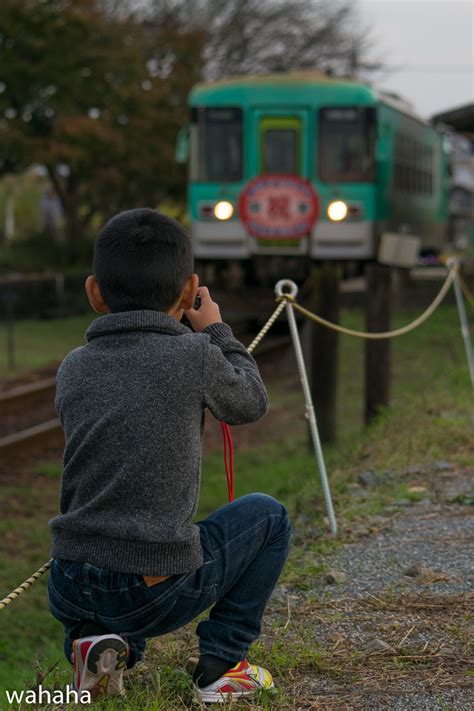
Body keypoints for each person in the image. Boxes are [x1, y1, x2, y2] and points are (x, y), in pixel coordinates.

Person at [47, 208, 292, 704]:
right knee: (269, 516)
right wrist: (217, 332)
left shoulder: (73, 366)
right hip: (153, 589)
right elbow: (251, 402)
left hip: (69, 582)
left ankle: (96, 642)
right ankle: (222, 665)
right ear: (189, 291)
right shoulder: (194, 355)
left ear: (95, 293)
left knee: (122, 536)